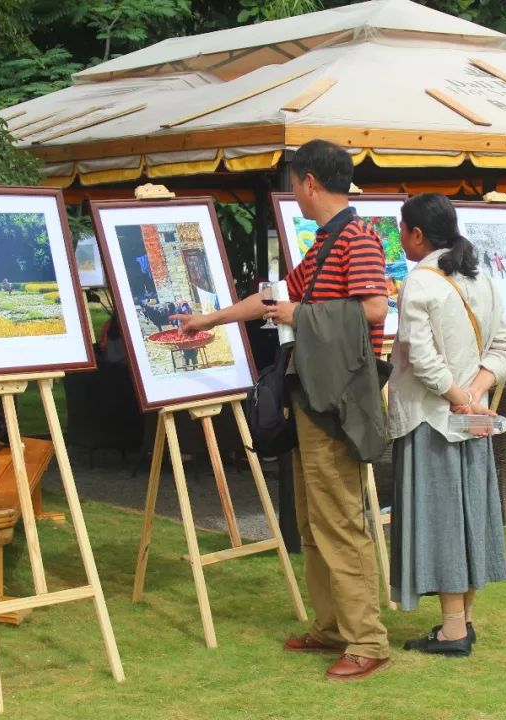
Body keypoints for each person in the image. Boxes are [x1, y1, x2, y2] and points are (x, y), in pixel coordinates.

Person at [173, 139, 391, 681]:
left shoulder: (357, 238)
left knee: (339, 520)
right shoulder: (325, 243)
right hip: (313, 395)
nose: (292, 190)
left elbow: (373, 307)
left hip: (337, 399)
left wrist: (301, 311)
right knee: (315, 522)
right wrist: (210, 320)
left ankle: (367, 640)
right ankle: (333, 627)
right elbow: (274, 298)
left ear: (310, 181)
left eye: (294, 181)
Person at [388, 193, 506, 657]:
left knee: (442, 520)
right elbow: (502, 345)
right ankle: (462, 622)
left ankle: (454, 628)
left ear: (418, 234)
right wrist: (475, 394)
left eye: (402, 229)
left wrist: (460, 397)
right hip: (471, 417)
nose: (400, 238)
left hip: (432, 417)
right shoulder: (482, 278)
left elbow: (422, 359)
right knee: (467, 518)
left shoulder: (420, 283)